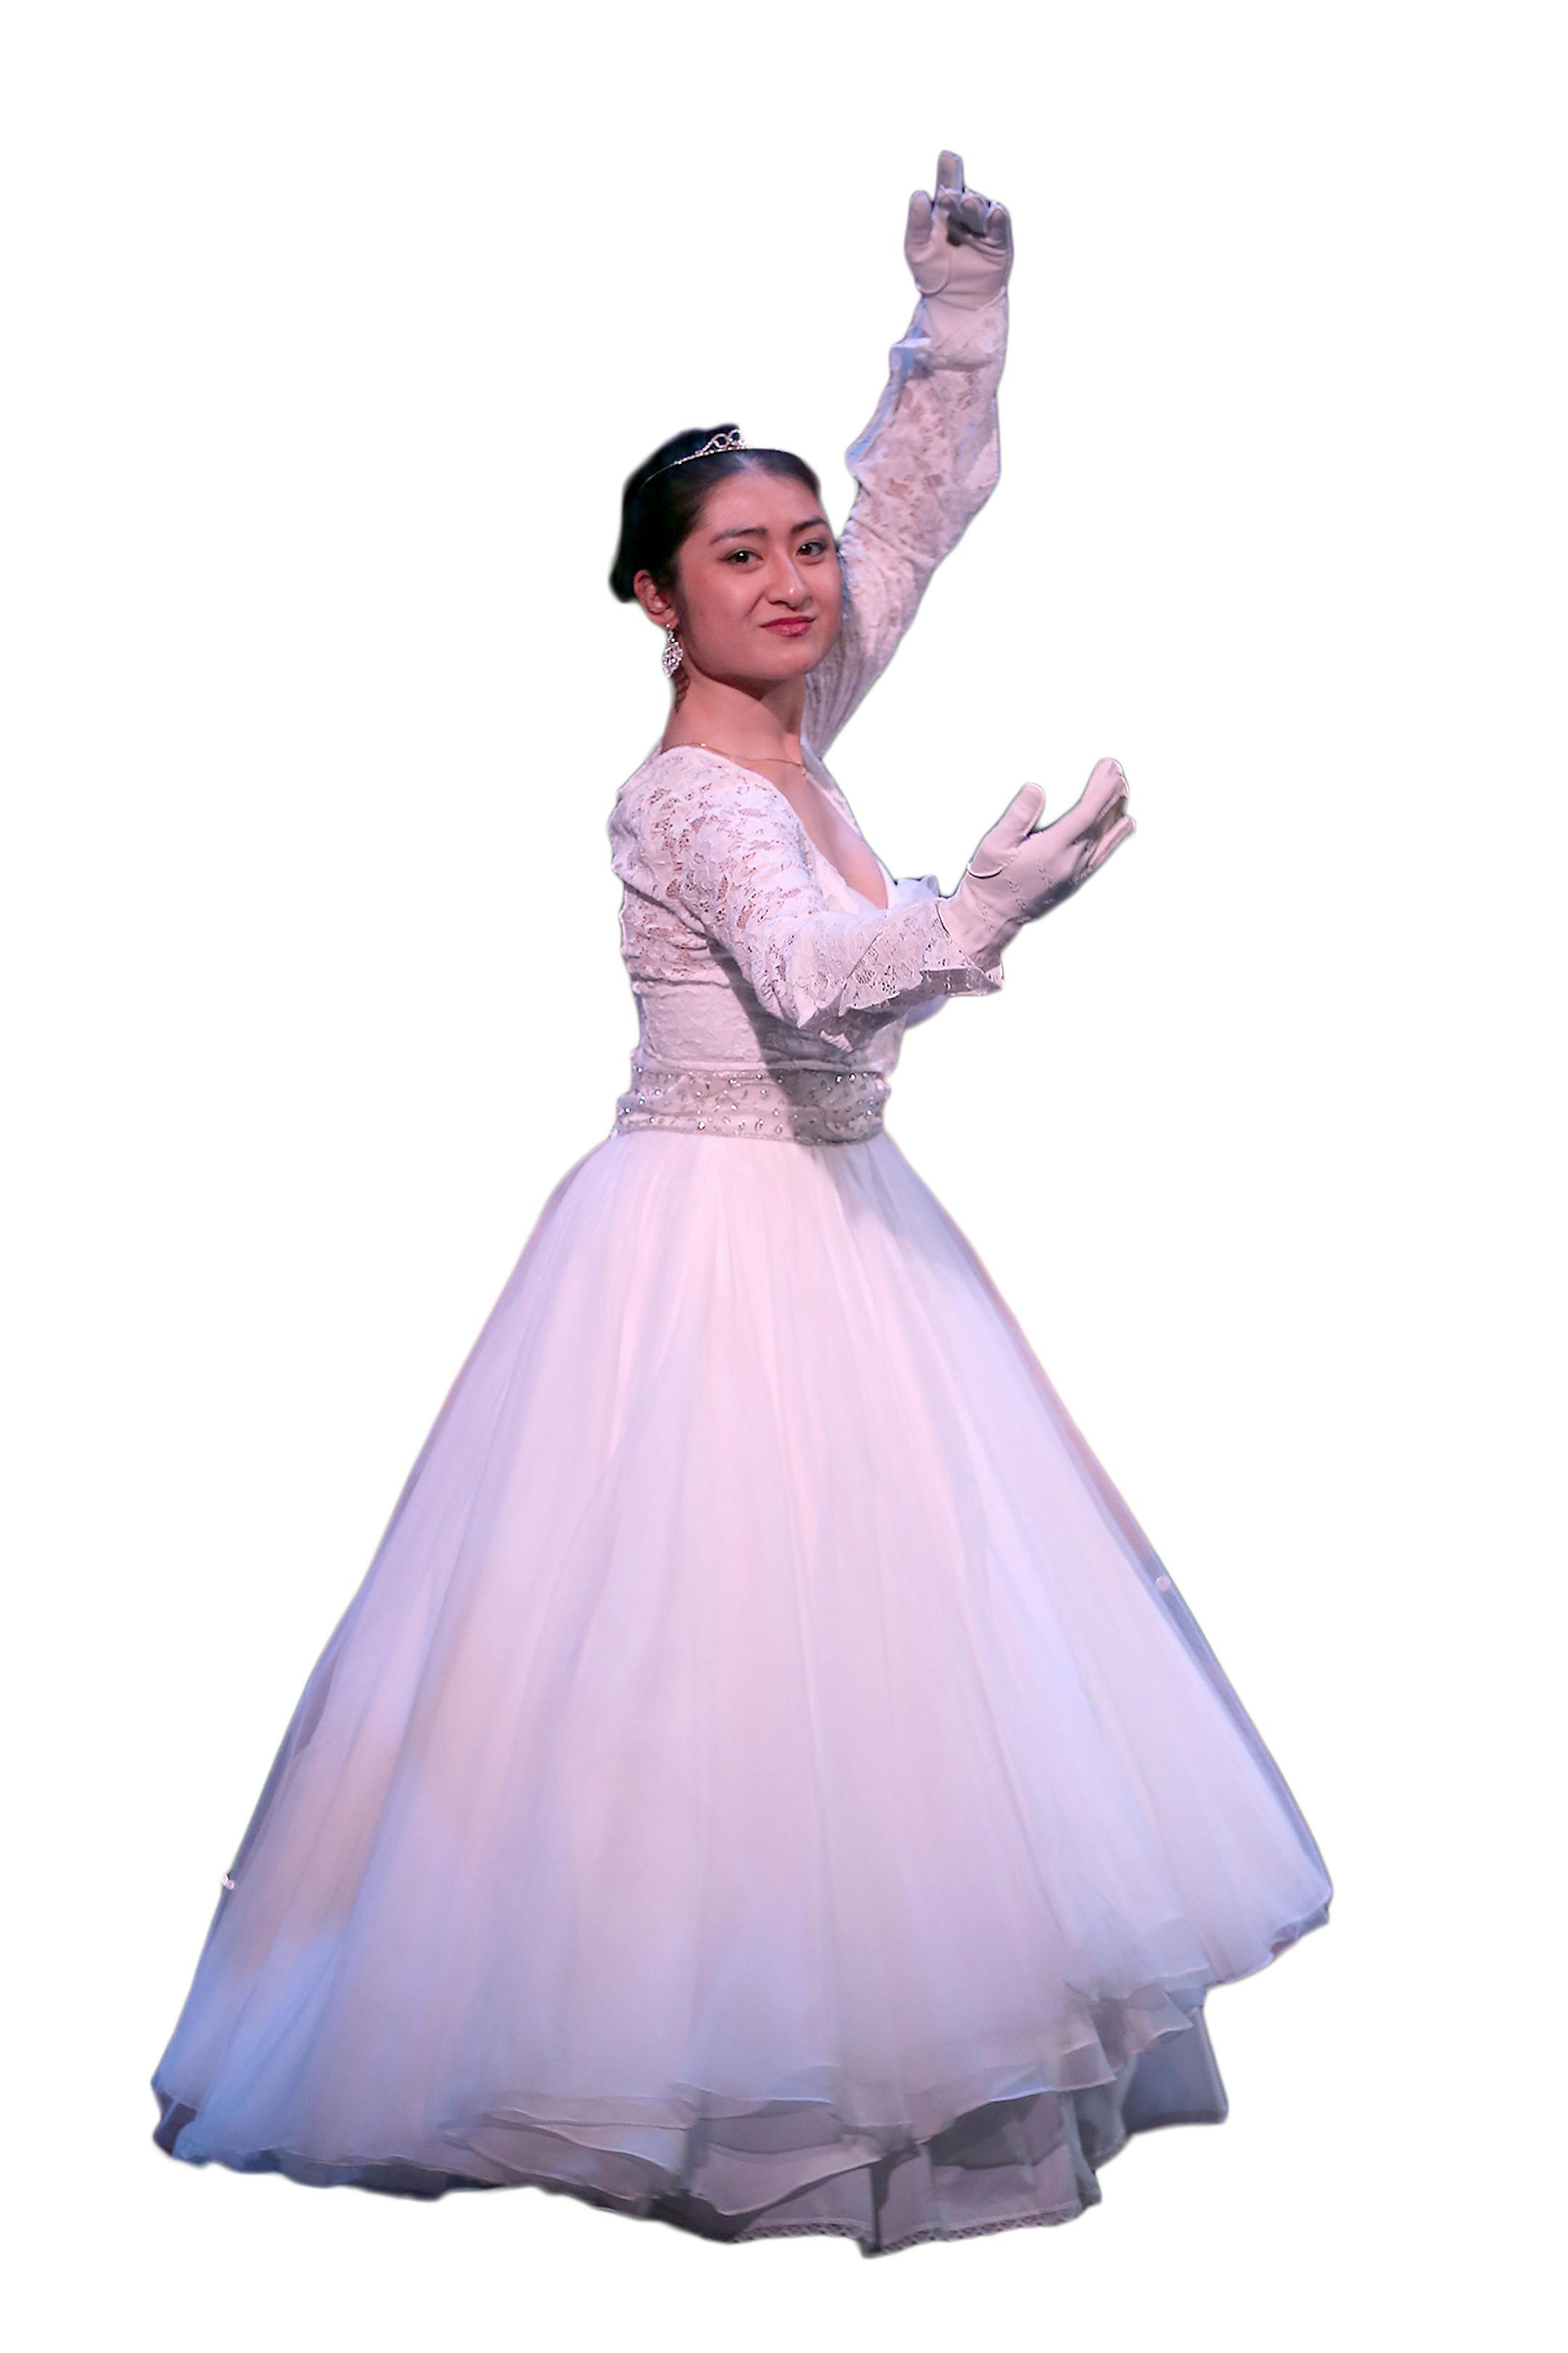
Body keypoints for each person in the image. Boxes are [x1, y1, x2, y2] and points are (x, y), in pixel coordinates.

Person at [150, 151, 1331, 2254]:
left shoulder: (798, 713)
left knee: (880, 1680)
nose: (795, 584)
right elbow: (808, 974)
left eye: (797, 553)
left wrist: (955, 322)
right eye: (741, 558)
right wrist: (981, 904)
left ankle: (884, 2067)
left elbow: (912, 511)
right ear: (652, 599)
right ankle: (685, 2069)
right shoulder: (687, 790)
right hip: (702, 1254)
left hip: (852, 1235)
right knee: (692, 1674)